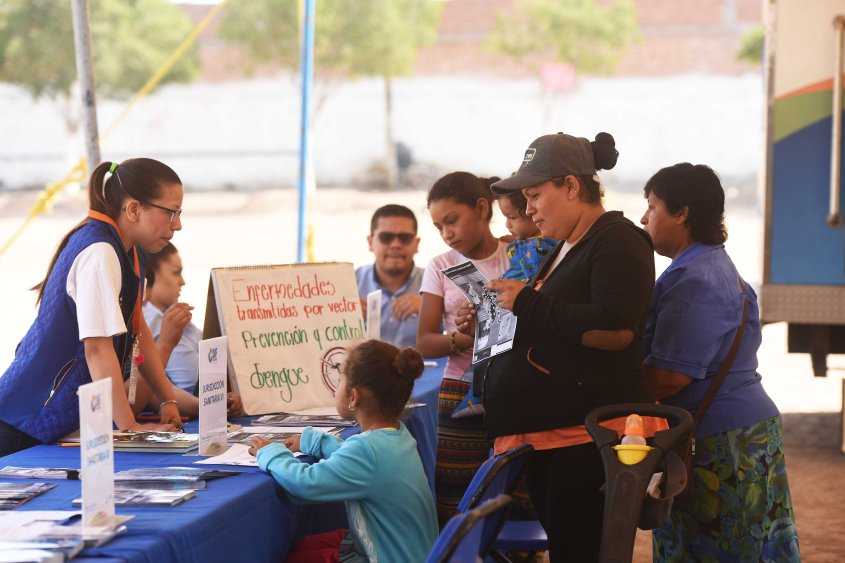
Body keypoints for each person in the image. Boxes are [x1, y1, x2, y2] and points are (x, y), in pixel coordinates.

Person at [457, 132, 657, 561]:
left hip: (582, 441)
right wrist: (495, 313)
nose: (527, 209)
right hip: (551, 438)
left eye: (534, 195)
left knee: (580, 551)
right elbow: (549, 320)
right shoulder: (565, 246)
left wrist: (525, 301)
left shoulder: (617, 239)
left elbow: (615, 328)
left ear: (571, 186)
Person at [640, 163, 801, 561]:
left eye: (653, 206)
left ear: (682, 213)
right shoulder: (712, 265)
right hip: (740, 430)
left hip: (723, 441)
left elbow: (670, 375)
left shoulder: (695, 278)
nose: (644, 217)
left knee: (717, 547)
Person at [0, 158, 185, 456]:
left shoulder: (129, 251)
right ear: (134, 209)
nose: (177, 224)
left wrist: (168, 400)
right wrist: (130, 429)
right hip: (24, 424)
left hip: (54, 423)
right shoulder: (99, 253)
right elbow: (97, 348)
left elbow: (139, 331)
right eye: (170, 212)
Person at [248, 340, 437, 563]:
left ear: (353, 397)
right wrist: (317, 443)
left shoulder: (367, 450)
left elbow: (307, 484)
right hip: (411, 552)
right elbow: (358, 461)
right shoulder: (396, 434)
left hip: (389, 557)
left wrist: (270, 453)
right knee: (305, 545)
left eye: (340, 382)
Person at [416, 171, 510, 525]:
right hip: (459, 390)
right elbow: (424, 342)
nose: (447, 234)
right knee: (454, 494)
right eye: (439, 227)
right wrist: (469, 338)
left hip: (514, 387)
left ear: (482, 208)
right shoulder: (441, 266)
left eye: (452, 221)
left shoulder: (519, 253)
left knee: (517, 491)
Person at [139, 243, 243, 418]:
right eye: (175, 272)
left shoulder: (173, 319)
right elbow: (188, 380)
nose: (182, 281)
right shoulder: (151, 323)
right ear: (148, 278)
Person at [355, 204, 423, 348]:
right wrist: (341, 318)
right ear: (370, 242)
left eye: (404, 238)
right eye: (386, 237)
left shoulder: (435, 284)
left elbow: (460, 337)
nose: (395, 245)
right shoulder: (349, 284)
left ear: (416, 244)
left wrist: (432, 309)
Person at [496, 188, 558, 283]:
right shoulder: (529, 242)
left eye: (512, 217)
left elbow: (535, 283)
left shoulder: (537, 249)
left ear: (531, 212)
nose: (507, 224)